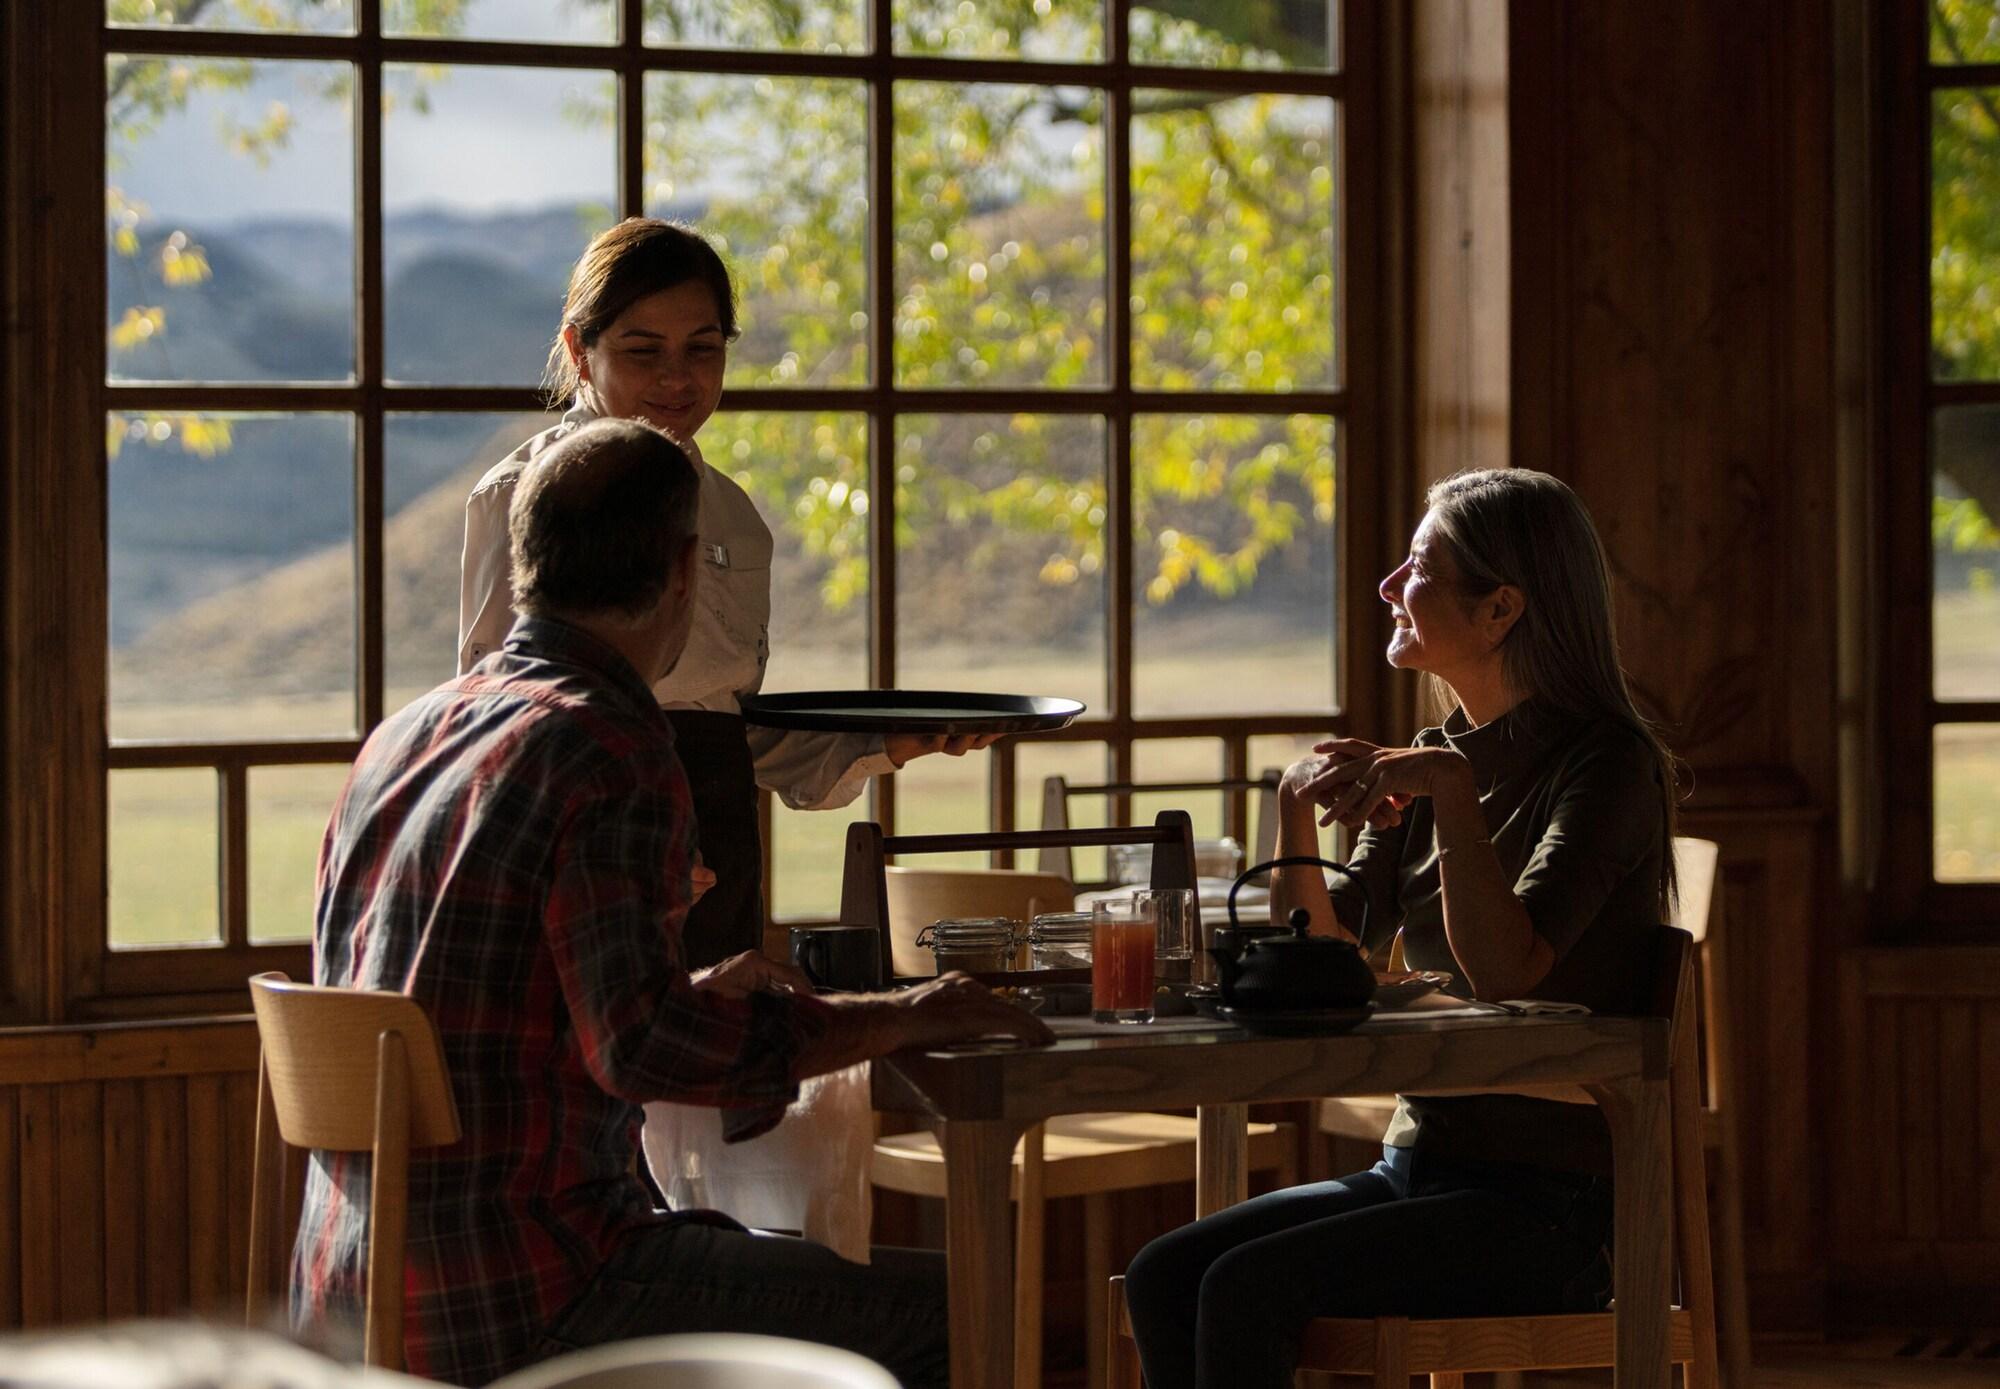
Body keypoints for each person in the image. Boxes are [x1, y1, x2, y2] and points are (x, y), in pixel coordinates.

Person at [303, 418, 1052, 1388]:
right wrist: (899, 1016)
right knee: (965, 1305)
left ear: (523, 564)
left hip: (354, 1292)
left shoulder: (408, 733)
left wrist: (693, 988)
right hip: (532, 1288)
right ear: (685, 572)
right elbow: (643, 1049)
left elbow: (540, 1012)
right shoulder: (604, 742)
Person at [1120, 468, 1679, 1389]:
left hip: (1550, 1208)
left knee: (1246, 1288)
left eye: (1418, 565)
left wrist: (1448, 792)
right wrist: (1292, 810)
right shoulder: (1438, 764)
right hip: (1416, 1164)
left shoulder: (1606, 764)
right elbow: (1321, 958)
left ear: (1501, 609)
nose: (1388, 585)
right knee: (1168, 1272)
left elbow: (1506, 970)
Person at [460, 217, 990, 971]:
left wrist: (879, 745)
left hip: (719, 846)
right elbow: (491, 720)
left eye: (702, 349)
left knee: (720, 1062)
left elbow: (724, 728)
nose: (678, 377)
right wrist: (615, 848)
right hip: (584, 863)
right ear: (581, 352)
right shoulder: (519, 496)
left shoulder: (734, 516)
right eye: (644, 352)